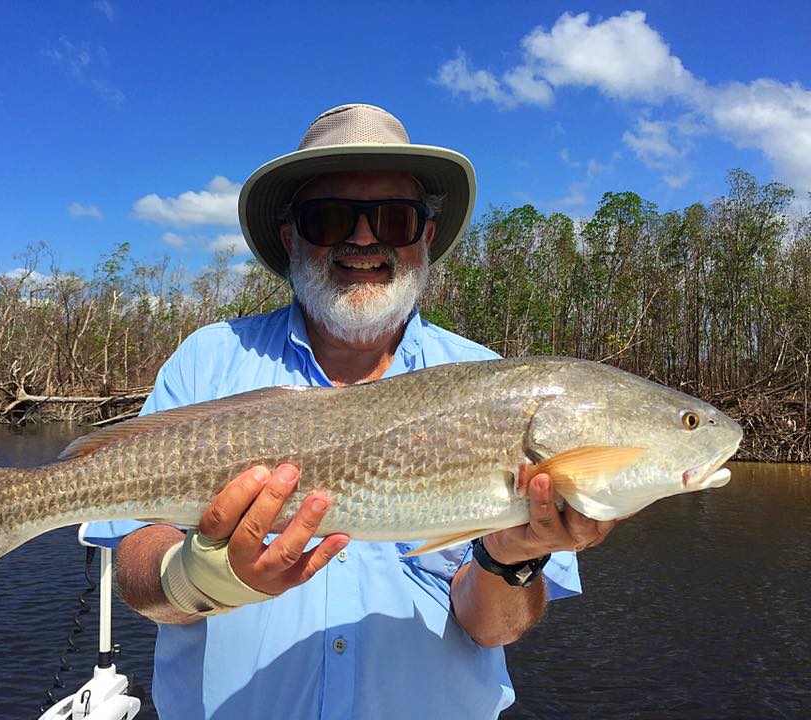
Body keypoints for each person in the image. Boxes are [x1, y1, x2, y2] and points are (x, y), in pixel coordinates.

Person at [84, 103, 621, 719]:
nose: (363, 239)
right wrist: (199, 577)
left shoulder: (498, 389)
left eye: (395, 218)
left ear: (425, 237)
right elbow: (133, 564)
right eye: (331, 217)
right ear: (290, 238)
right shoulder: (208, 361)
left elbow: (492, 630)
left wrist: (510, 556)